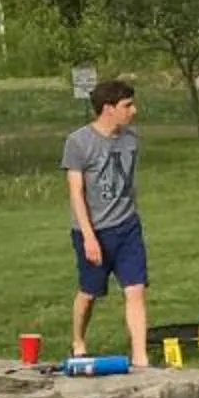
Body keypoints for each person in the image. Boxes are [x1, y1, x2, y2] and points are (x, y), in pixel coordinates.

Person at [63, 78, 150, 366]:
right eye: (127, 105)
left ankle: (140, 358)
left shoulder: (131, 138)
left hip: (127, 227)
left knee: (135, 290)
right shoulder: (78, 142)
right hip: (93, 231)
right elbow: (76, 193)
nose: (133, 111)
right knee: (89, 294)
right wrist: (89, 237)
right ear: (108, 108)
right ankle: (78, 340)